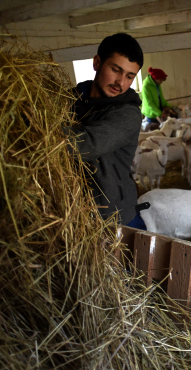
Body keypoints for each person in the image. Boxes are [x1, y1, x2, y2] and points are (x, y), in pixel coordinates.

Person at [66, 33, 147, 230]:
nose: (120, 83)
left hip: (115, 217)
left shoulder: (128, 114)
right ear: (97, 63)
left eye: (130, 76)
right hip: (73, 213)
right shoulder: (70, 100)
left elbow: (85, 144)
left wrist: (36, 129)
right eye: (115, 70)